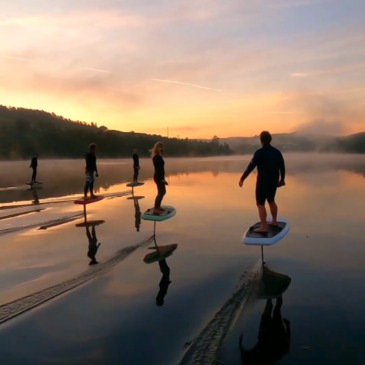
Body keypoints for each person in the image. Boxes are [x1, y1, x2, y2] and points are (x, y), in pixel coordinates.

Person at [238, 131, 285, 233]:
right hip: (273, 181)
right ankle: (274, 221)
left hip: (262, 182)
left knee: (260, 203)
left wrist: (242, 178)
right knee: (271, 200)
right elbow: (282, 167)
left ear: (261, 140)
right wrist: (282, 180)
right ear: (270, 139)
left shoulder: (259, 153)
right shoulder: (277, 152)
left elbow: (250, 167)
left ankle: (264, 227)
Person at [151, 142, 168, 214]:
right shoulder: (156, 157)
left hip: (160, 177)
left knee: (161, 192)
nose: (163, 149)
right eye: (162, 147)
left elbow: (161, 169)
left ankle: (158, 206)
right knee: (162, 192)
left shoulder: (158, 156)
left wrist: (163, 179)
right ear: (158, 148)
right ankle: (156, 207)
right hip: (158, 177)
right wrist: (162, 179)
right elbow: (159, 169)